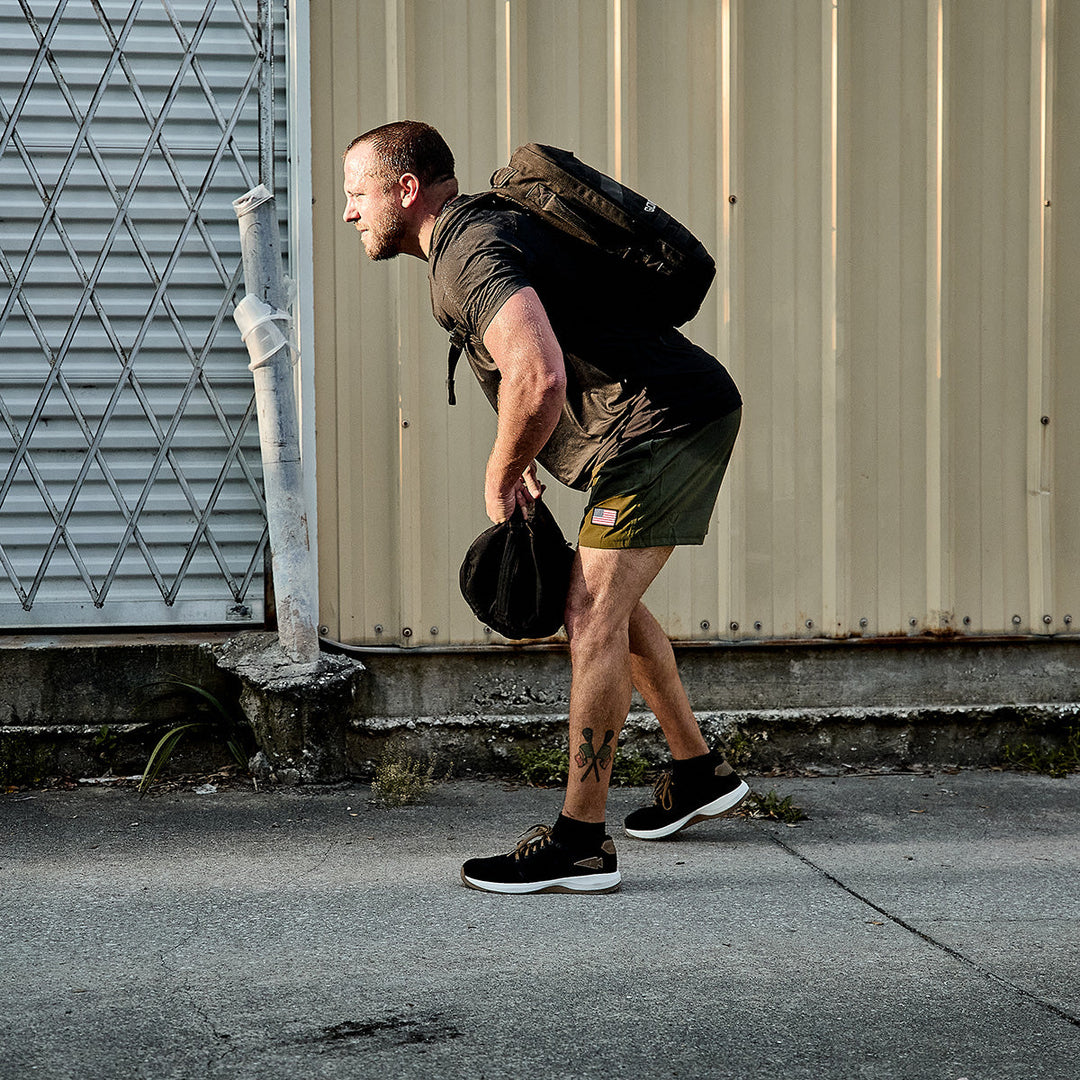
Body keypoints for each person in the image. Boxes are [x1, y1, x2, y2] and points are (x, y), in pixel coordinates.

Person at [342, 120, 748, 894]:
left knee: (590, 613)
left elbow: (539, 375)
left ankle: (581, 843)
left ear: (406, 189)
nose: (349, 210)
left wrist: (502, 471)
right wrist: (521, 451)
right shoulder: (483, 231)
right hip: (660, 417)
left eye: (358, 192)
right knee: (607, 602)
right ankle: (698, 772)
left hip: (664, 424)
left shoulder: (466, 252)